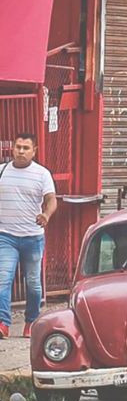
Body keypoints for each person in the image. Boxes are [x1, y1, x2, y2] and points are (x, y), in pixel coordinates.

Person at [0, 133, 57, 338]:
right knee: (3, 279)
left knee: (33, 283)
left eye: (25, 148)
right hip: (5, 236)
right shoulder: (2, 172)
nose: (21, 151)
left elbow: (51, 200)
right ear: (12, 149)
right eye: (18, 147)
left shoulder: (42, 174)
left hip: (33, 237)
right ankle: (3, 324)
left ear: (34, 151)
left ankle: (31, 321)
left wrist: (46, 215)